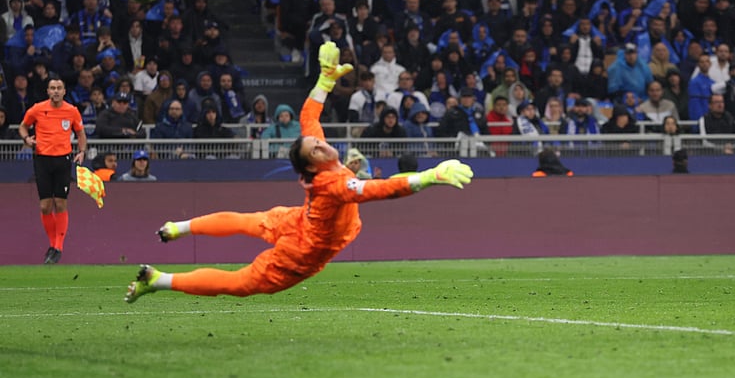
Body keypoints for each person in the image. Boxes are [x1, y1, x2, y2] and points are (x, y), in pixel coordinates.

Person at [125, 43, 474, 304]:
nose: (323, 146)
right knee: (240, 284)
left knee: (247, 221)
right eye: (316, 150)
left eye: (317, 144)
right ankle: (159, 280)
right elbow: (380, 190)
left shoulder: (318, 154)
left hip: (300, 220)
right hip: (304, 250)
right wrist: (431, 175)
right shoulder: (333, 183)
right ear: (311, 165)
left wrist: (324, 79)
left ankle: (177, 227)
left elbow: (310, 114)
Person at [18, 76, 88, 264]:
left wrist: (82, 151)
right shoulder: (38, 109)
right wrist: (27, 139)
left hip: (63, 160)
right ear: (48, 91)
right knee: (45, 206)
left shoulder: (71, 111)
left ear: (64, 91)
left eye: (59, 88)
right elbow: (23, 126)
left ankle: (58, 247)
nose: (56, 91)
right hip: (42, 160)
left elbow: (80, 132)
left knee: (61, 203)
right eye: (52, 88)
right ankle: (52, 245)